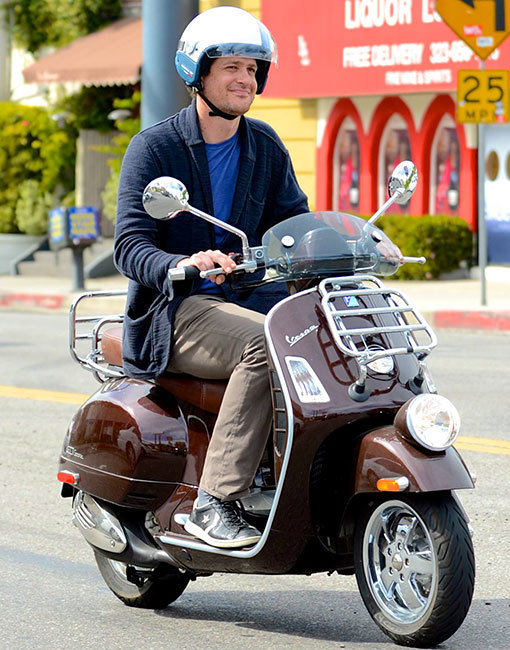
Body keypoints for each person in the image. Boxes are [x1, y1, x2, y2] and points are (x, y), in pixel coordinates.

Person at [114, 7, 308, 549]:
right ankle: (214, 501)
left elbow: (291, 226)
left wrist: (343, 245)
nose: (244, 79)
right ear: (197, 73)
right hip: (176, 310)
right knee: (263, 346)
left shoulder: (264, 145)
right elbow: (129, 246)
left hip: (246, 298)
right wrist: (181, 266)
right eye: (231, 67)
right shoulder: (155, 148)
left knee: (337, 335)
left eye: (253, 69)